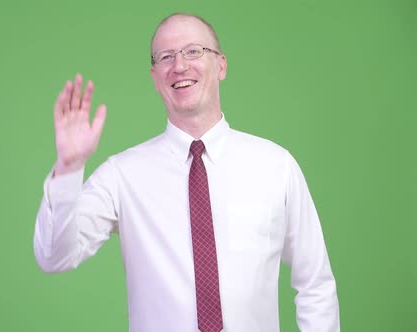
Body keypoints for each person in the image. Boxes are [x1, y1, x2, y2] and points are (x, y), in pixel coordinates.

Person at [34, 13, 339, 332]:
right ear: (154, 77)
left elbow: (315, 284)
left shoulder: (276, 166)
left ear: (221, 65)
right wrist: (68, 169)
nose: (179, 66)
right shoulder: (122, 175)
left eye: (193, 51)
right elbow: (54, 257)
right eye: (166, 57)